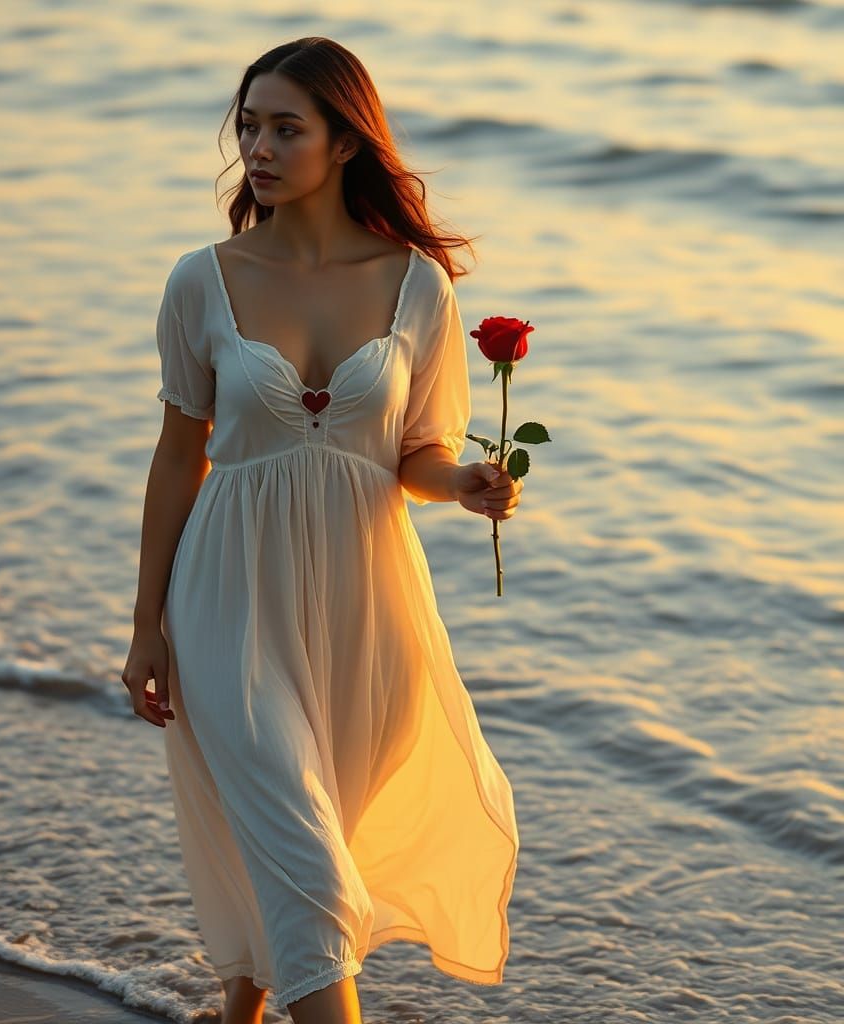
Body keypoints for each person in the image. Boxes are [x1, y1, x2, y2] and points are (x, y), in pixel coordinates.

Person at [122, 37, 522, 1024]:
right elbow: (179, 458)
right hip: (227, 596)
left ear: (345, 141)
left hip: (366, 607)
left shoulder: (417, 286)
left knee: (302, 842)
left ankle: (237, 1016)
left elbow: (413, 454)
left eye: (284, 127)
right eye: (248, 125)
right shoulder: (201, 280)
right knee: (305, 858)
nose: (256, 146)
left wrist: (464, 480)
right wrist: (144, 626)